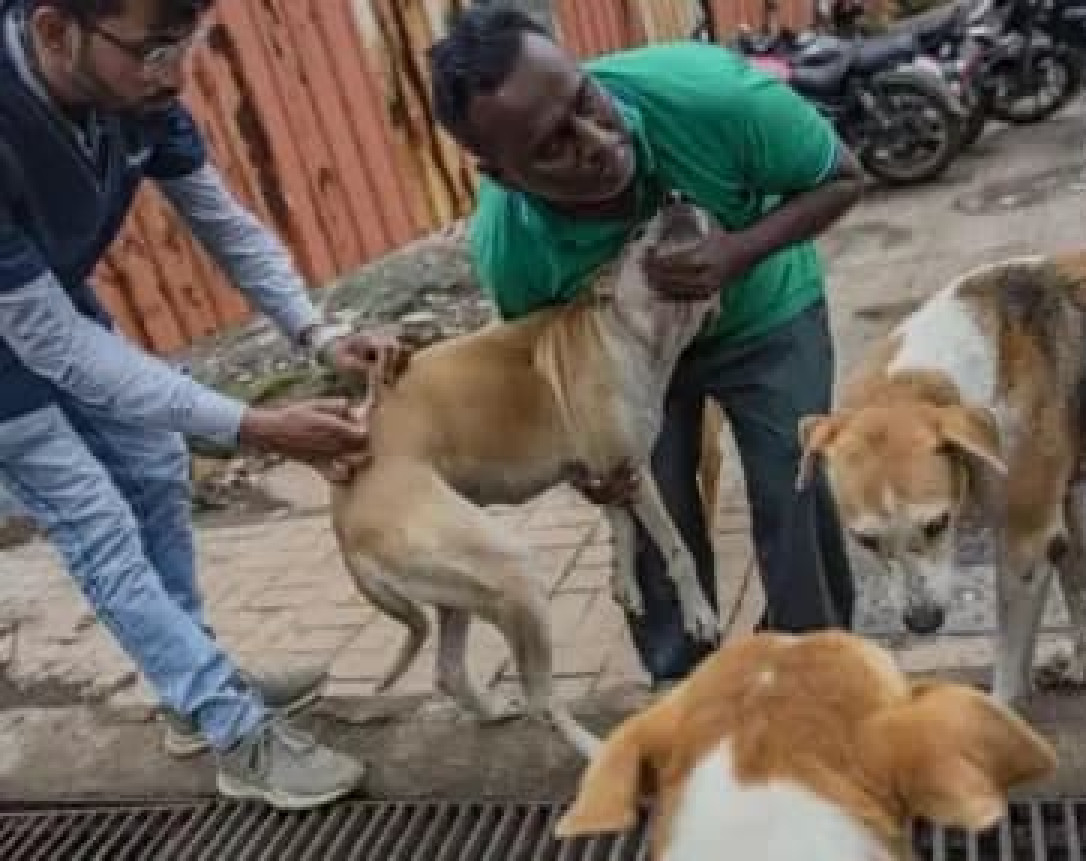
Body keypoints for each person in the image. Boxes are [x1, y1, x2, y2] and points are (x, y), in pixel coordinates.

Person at [0, 0, 390, 809]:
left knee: (154, 460)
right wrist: (252, 426)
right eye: (154, 49)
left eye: (191, 41)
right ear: (54, 32)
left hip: (45, 297)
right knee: (94, 520)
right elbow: (56, 347)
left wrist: (317, 332)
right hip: (21, 332)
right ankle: (235, 733)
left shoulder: (133, 91)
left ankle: (192, 687)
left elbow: (221, 221)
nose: (176, 73)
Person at [430, 4, 864, 689]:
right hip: (630, 366)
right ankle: (683, 686)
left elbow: (844, 176)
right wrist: (583, 463)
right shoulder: (513, 249)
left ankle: (815, 671)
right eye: (551, 146)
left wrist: (738, 253)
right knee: (646, 496)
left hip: (764, 315)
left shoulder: (713, 98)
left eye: (585, 101)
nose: (597, 141)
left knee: (794, 484)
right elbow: (554, 376)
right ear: (503, 176)